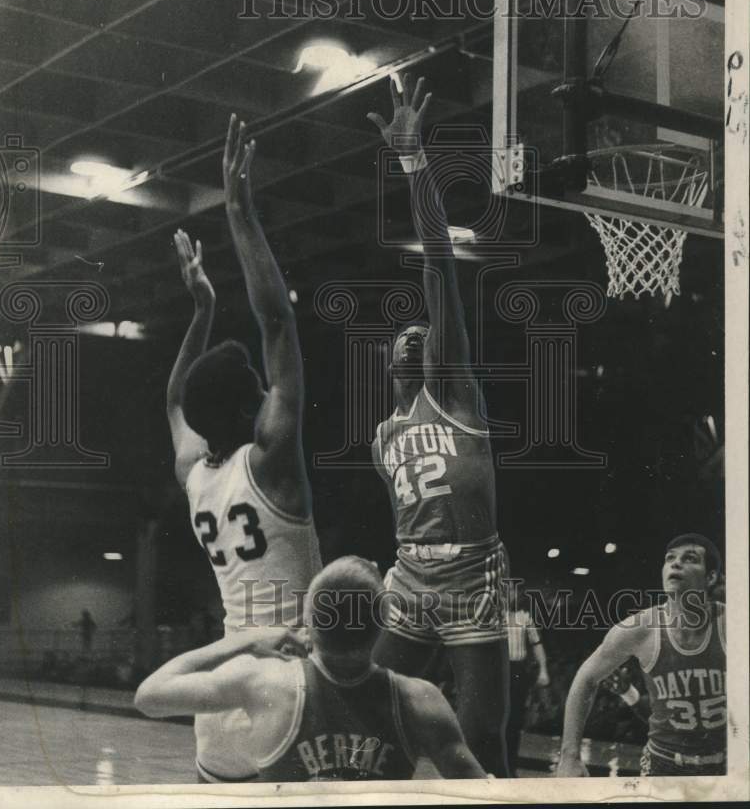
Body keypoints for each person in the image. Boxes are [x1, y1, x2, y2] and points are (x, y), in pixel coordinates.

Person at [166, 114, 321, 782]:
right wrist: (240, 214)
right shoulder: (272, 464)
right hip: (287, 686)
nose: (267, 388)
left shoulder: (194, 476)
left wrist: (201, 310)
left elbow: (175, 401)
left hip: (220, 693)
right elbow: (277, 321)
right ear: (241, 405)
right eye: (256, 385)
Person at [366, 74, 510, 776]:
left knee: (481, 740)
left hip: (473, 573)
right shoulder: (383, 436)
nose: (417, 336)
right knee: (373, 718)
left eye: (427, 333)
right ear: (387, 359)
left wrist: (413, 162)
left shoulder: (451, 393)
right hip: (409, 578)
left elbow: (438, 268)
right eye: (406, 336)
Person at [135, 556, 487, 781]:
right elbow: (479, 793)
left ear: (307, 622)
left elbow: (148, 697)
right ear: (382, 626)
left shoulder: (265, 684)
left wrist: (245, 640)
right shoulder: (420, 700)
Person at [558, 534, 726, 777]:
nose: (675, 564)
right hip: (663, 763)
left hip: (726, 763)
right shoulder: (640, 628)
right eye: (670, 559)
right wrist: (570, 755)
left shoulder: (733, 623)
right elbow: (585, 678)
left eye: (689, 559)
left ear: (710, 577)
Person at [505, 581, 550, 776]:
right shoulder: (492, 618)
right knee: (496, 721)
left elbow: (537, 644)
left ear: (517, 595)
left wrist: (543, 670)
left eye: (512, 592)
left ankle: (510, 766)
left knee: (514, 721)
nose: (509, 596)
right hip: (498, 670)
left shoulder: (525, 617)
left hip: (517, 670)